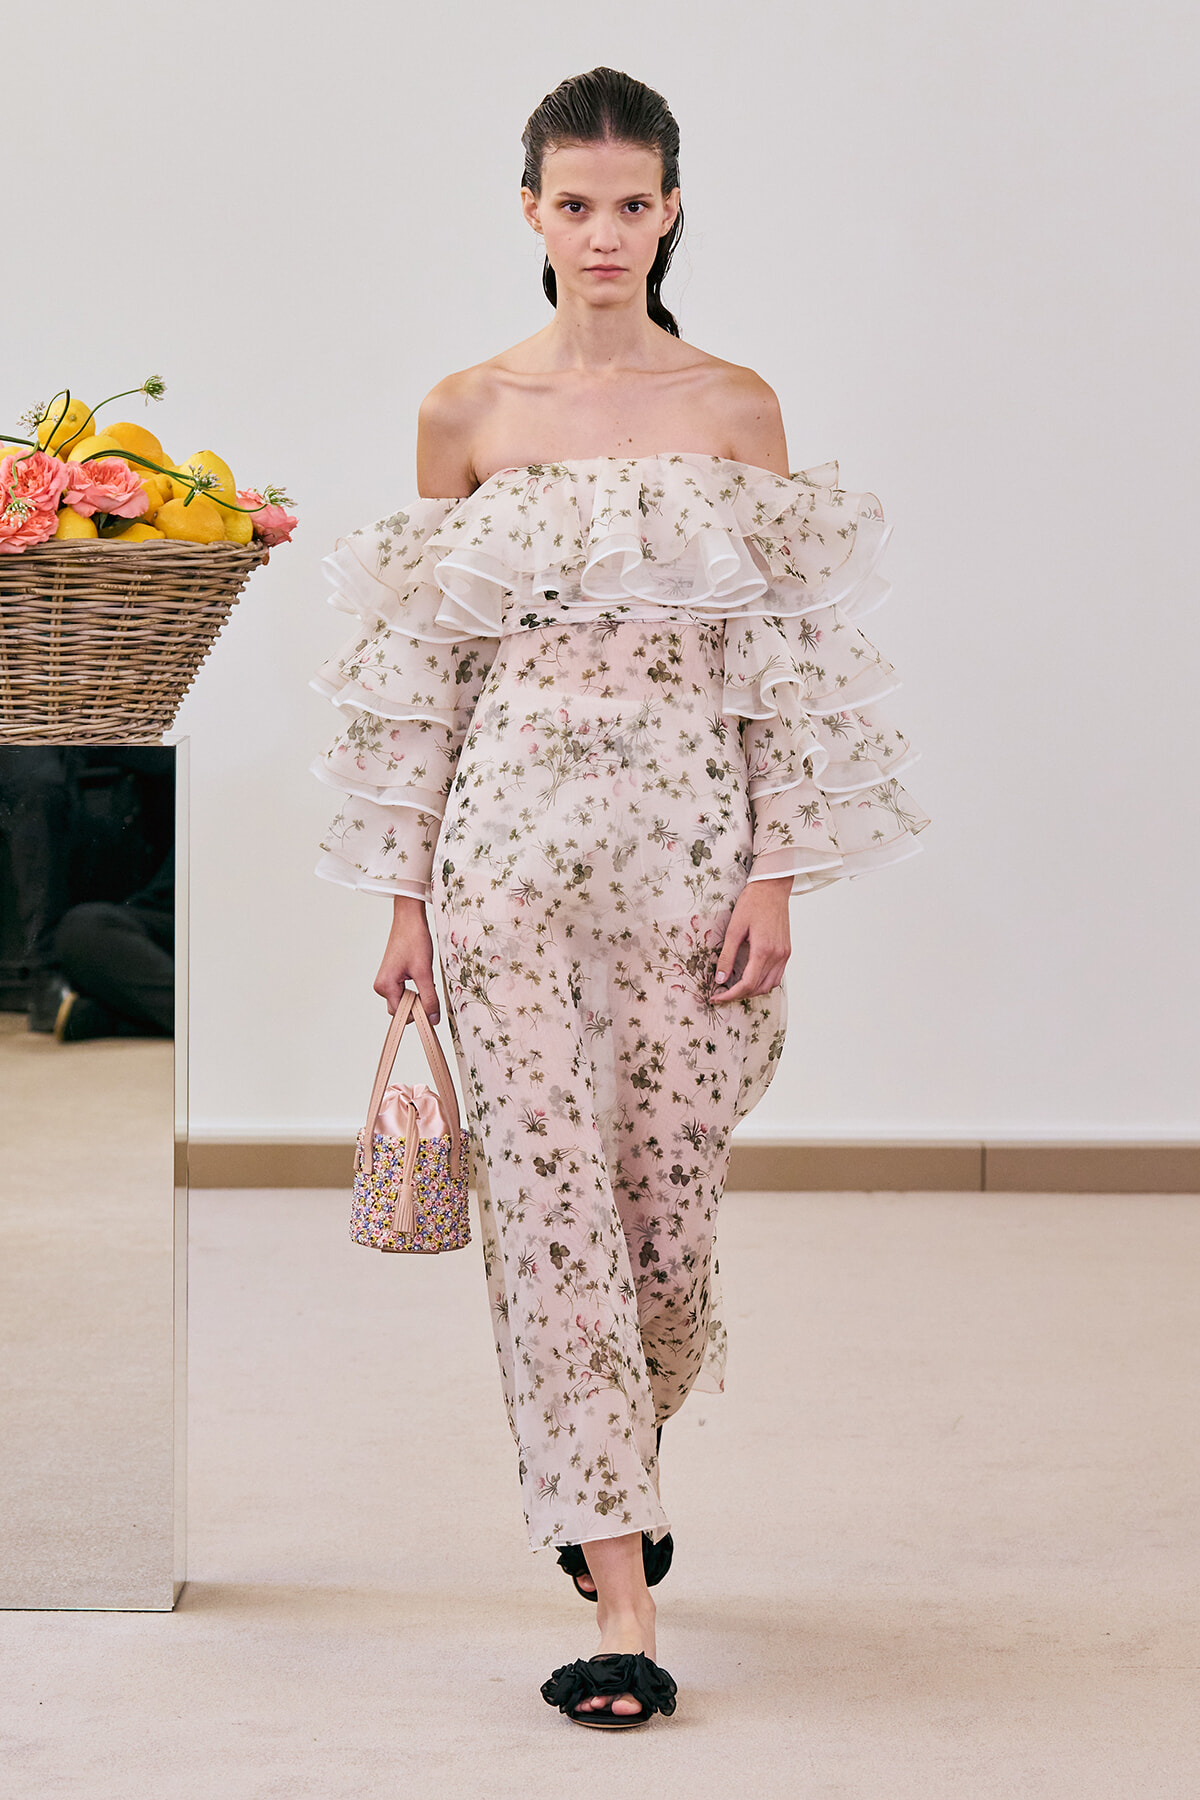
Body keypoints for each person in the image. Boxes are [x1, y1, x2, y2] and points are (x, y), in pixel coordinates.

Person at [312, 66, 931, 1729]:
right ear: (529, 211)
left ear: (670, 213)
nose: (602, 233)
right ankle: (618, 1598)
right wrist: (403, 903)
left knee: (664, 1211)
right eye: (572, 204)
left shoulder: (735, 405)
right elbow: (421, 675)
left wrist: (776, 869)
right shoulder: (466, 412)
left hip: (686, 857)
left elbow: (780, 662)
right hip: (506, 853)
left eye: (631, 205)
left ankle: (623, 1466)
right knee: (550, 1215)